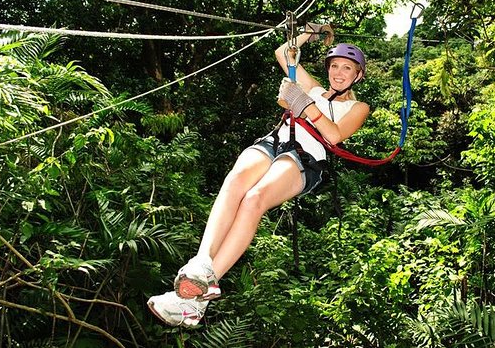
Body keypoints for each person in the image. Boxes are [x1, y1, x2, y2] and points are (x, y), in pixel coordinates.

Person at [147, 24, 370, 327]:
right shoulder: (315, 88)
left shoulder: (358, 107)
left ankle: (204, 290)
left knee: (254, 199)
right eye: (334, 66)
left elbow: (334, 135)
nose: (339, 73)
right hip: (277, 139)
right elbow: (284, 53)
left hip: (307, 157)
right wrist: (310, 31)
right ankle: (200, 266)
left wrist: (303, 105)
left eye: (347, 68)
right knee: (236, 181)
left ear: (358, 76)